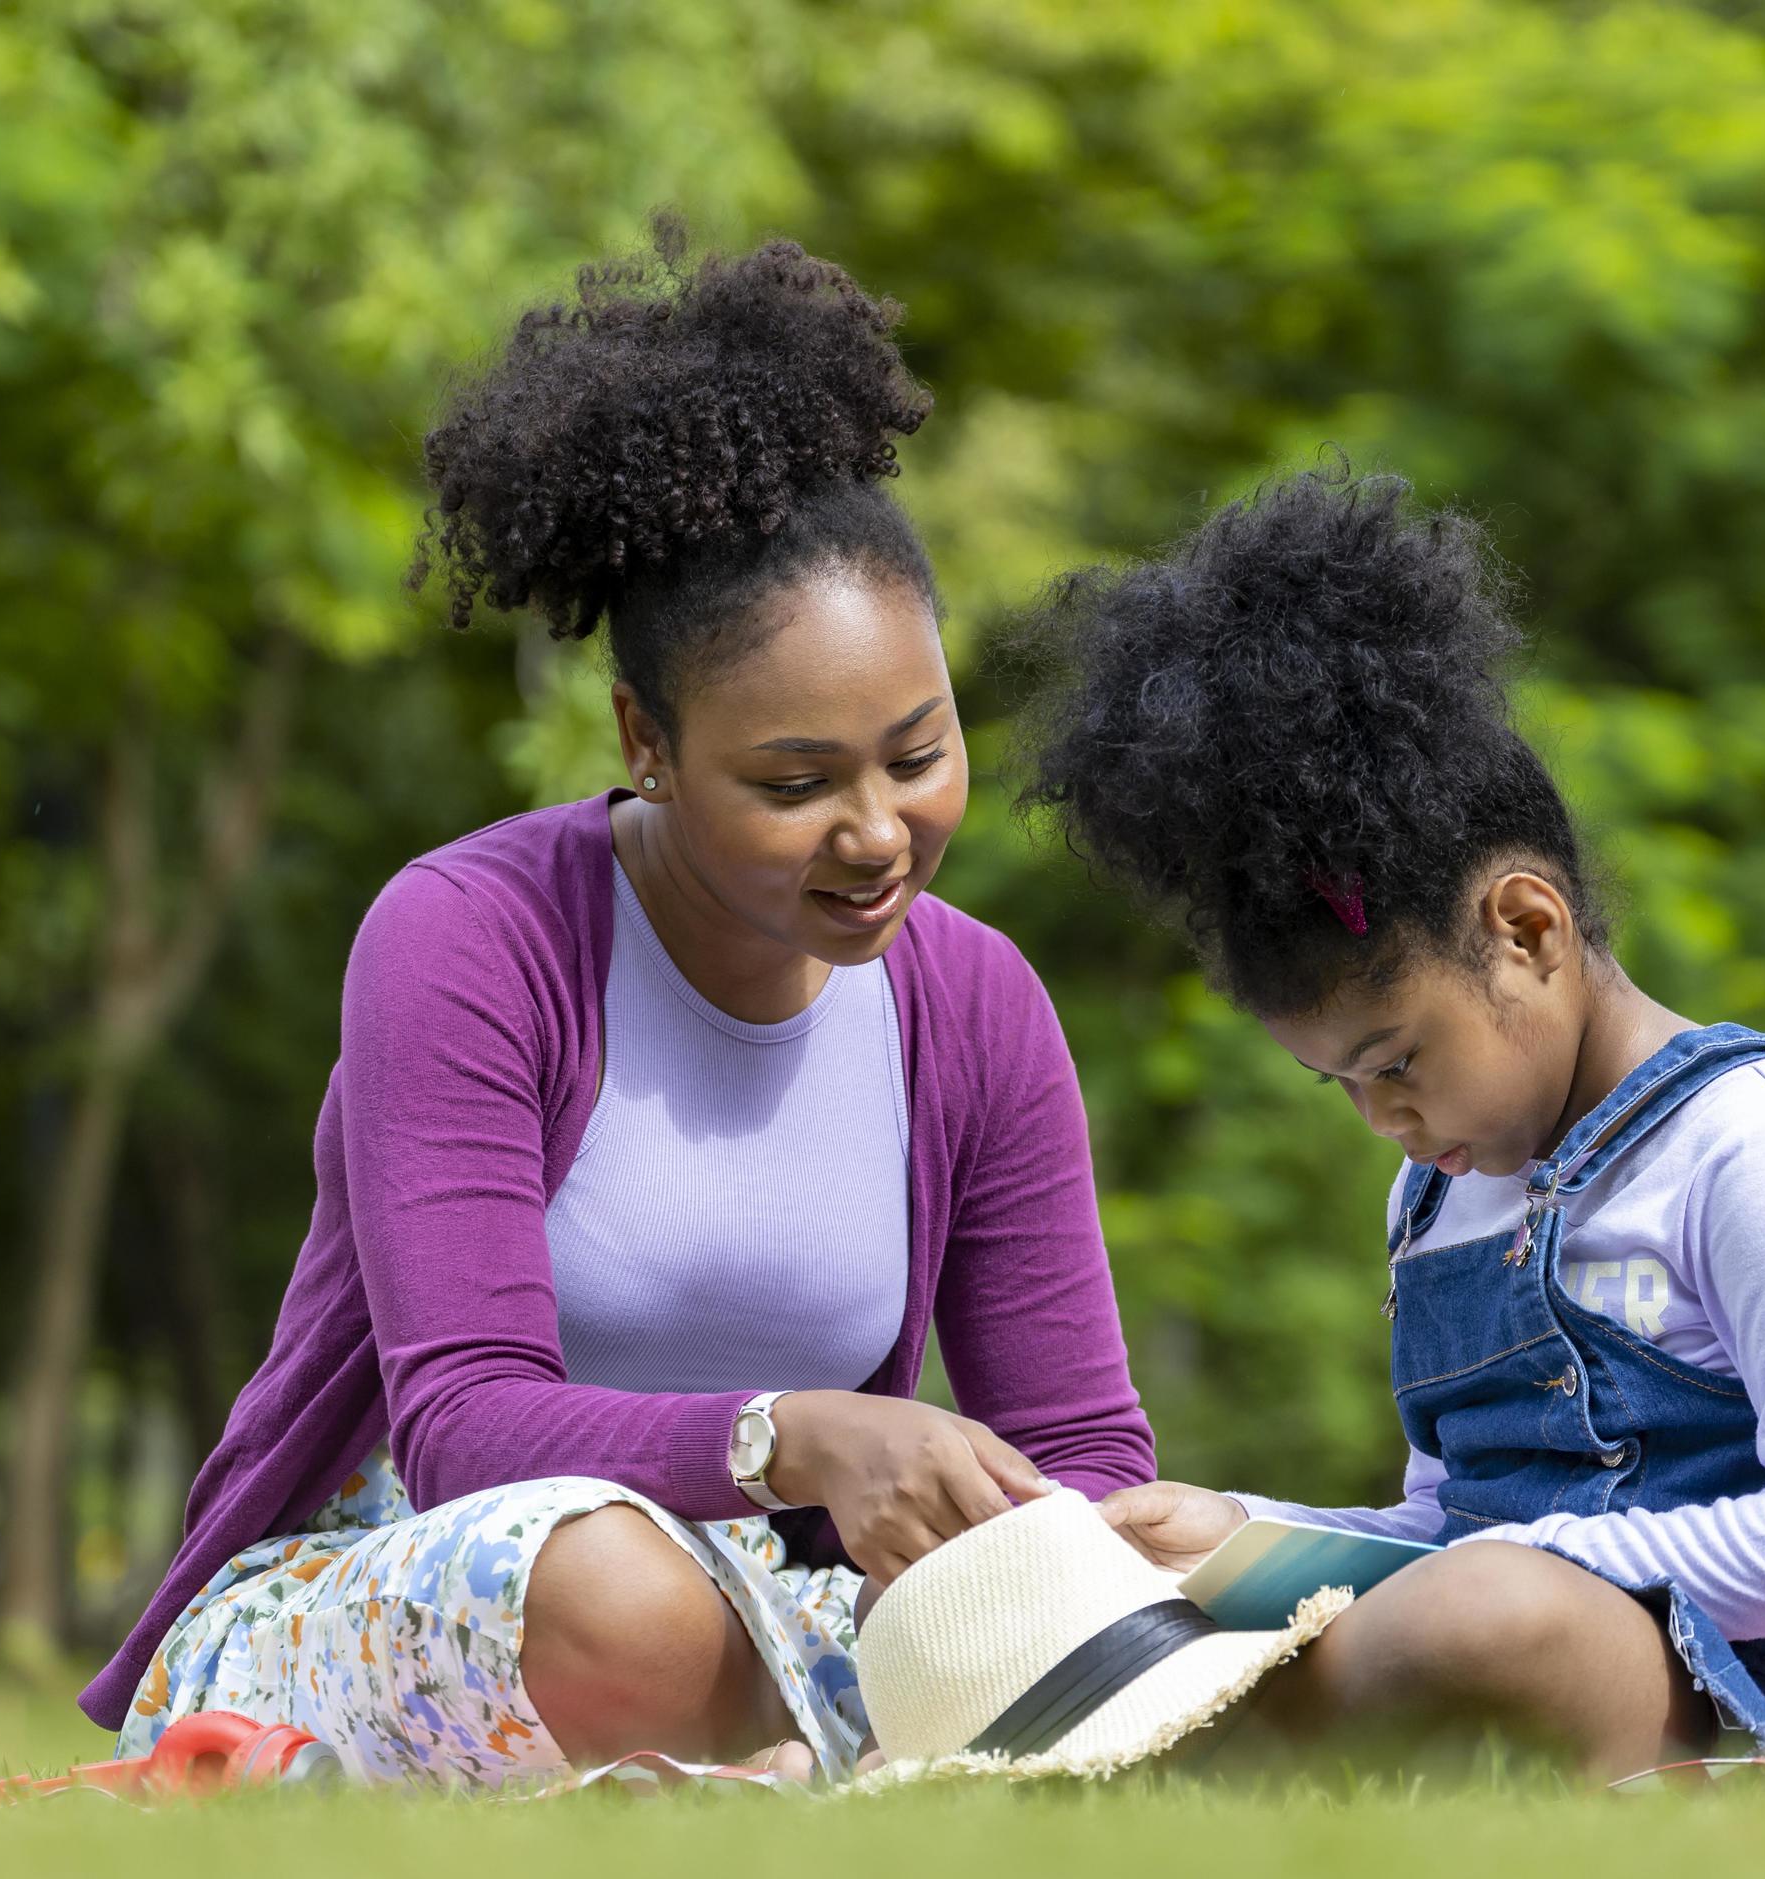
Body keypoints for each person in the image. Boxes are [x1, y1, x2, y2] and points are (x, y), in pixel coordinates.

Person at [80, 229, 1155, 1791]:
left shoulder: (975, 1003)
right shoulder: (469, 940)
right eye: (795, 783)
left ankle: (758, 1781)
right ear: (646, 739)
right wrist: (790, 1438)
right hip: (432, 1587)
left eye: (916, 756)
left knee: (1123, 1624)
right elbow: (459, 1425)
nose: (875, 832)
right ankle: (761, 1771)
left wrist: (1087, 1559)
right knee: (620, 1592)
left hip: (792, 1619)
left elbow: (1083, 1451)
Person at [1012, 466, 1765, 1779]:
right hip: (1476, 1627)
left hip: (1734, 1700)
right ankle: (1173, 1740)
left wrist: (1520, 1566)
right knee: (1162, 1579)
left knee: (1481, 1618)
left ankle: (1169, 1759)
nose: (1385, 1120)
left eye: (1397, 1061)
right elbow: (1440, 1526)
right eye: (1340, 1083)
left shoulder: (1756, 1151)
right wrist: (1245, 1530)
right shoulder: (1441, 1196)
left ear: (1527, 931)